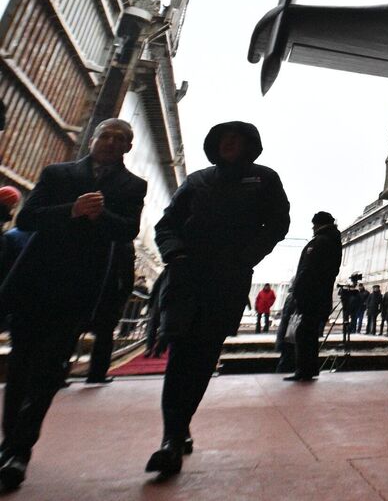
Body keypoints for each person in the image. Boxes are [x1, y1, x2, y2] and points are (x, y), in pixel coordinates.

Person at [0, 118, 146, 490]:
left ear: (128, 147)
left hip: (79, 291)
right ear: (94, 139)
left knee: (49, 371)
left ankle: (19, 450)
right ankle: (9, 441)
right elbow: (29, 217)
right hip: (35, 283)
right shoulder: (57, 173)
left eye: (120, 139)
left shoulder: (133, 186)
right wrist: (72, 210)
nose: (112, 142)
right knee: (19, 367)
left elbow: (128, 229)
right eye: (106, 135)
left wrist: (102, 216)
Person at [147, 121, 289, 477]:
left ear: (248, 145)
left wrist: (247, 256)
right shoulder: (196, 181)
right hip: (185, 277)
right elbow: (166, 226)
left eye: (237, 139)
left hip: (226, 281)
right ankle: (172, 439)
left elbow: (278, 225)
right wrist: (175, 254)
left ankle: (179, 427)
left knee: (203, 356)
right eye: (224, 138)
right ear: (215, 144)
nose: (230, 143)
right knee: (180, 355)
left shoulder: (265, 179)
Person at [287, 211, 342, 381]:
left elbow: (307, 271)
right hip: (320, 295)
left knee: (304, 333)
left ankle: (304, 370)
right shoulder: (333, 241)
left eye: (314, 224)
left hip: (311, 296)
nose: (312, 228)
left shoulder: (320, 242)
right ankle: (309, 369)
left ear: (318, 224)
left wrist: (298, 291)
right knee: (309, 333)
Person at [84, 236, 136, 385]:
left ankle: (58, 373)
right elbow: (127, 272)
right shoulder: (124, 241)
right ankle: (97, 373)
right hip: (110, 294)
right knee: (104, 335)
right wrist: (124, 294)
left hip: (89, 290)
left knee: (72, 332)